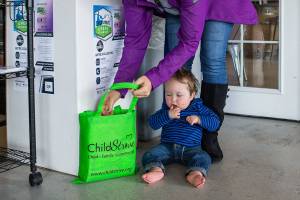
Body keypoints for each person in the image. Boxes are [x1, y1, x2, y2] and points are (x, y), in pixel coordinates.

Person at [102, 0, 258, 160]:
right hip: (180, 6)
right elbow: (135, 41)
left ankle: (209, 135)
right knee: (177, 69)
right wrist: (118, 89)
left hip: (220, 4)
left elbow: (189, 43)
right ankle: (175, 133)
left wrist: (153, 78)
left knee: (213, 60)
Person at [141, 69, 220, 188]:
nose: (173, 99)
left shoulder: (197, 107)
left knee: (204, 157)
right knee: (149, 155)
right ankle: (156, 169)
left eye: (179, 95)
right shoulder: (166, 109)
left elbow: (215, 123)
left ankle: (195, 173)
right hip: (167, 147)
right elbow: (152, 123)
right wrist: (168, 115)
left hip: (191, 149)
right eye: (168, 94)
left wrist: (199, 119)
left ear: (191, 96)